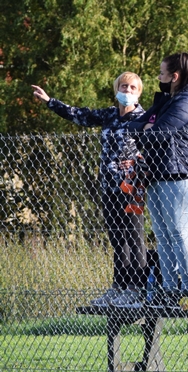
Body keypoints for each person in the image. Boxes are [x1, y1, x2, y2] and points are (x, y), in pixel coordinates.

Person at [31, 73, 148, 309]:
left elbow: (158, 149)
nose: (127, 90)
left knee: (134, 237)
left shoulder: (145, 118)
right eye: (124, 86)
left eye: (132, 87)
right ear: (116, 88)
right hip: (109, 186)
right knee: (117, 240)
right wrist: (50, 101)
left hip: (132, 187)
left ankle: (137, 289)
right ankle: (119, 287)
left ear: (139, 92)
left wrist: (139, 160)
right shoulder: (109, 114)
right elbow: (79, 115)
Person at [127, 53, 188, 310]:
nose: (158, 78)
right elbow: (136, 127)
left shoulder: (187, 101)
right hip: (158, 175)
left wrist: (148, 131)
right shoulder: (167, 100)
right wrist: (146, 130)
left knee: (180, 233)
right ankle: (170, 290)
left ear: (174, 76)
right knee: (162, 235)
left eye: (161, 74)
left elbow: (158, 134)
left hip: (180, 177)